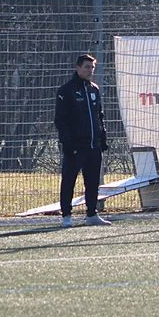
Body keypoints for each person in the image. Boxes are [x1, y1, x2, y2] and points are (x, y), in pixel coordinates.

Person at [54, 54, 111, 227]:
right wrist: (67, 143)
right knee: (69, 180)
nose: (90, 71)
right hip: (75, 146)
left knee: (92, 181)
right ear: (78, 67)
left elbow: (99, 116)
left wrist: (102, 137)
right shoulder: (66, 90)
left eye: (92, 67)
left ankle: (92, 214)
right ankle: (66, 215)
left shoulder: (94, 89)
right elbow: (60, 120)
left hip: (93, 145)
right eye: (87, 67)